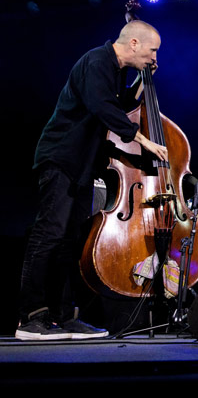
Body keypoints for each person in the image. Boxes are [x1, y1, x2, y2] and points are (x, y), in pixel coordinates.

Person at [16, 20, 168, 341]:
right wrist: (144, 140)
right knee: (49, 235)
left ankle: (61, 316)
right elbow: (103, 108)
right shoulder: (97, 61)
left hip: (83, 165)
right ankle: (30, 317)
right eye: (152, 50)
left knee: (69, 242)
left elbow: (120, 106)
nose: (155, 57)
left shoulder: (116, 71)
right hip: (61, 158)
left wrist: (143, 82)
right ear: (134, 43)